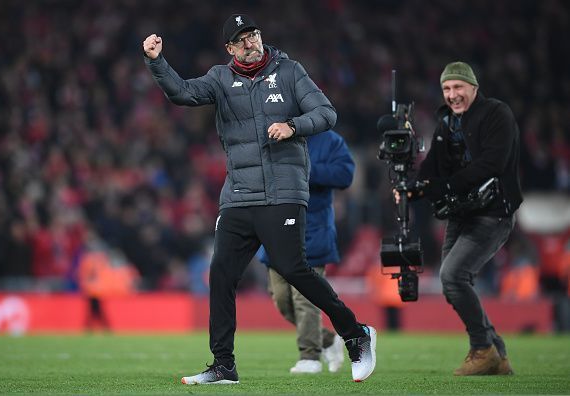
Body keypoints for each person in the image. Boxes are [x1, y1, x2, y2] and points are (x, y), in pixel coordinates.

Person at [143, 14, 376, 384]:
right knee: (221, 274)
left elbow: (326, 113)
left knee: (294, 269)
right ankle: (223, 366)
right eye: (242, 39)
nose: (251, 42)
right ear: (230, 49)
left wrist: (293, 125)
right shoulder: (219, 78)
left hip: (284, 191)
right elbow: (182, 93)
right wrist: (156, 62)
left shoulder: (289, 71)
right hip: (238, 195)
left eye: (253, 35)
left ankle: (355, 334)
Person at [396, 61, 523, 375]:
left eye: (458, 87)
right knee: (453, 280)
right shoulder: (447, 123)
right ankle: (497, 352)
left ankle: (482, 348)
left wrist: (443, 186)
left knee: (452, 277)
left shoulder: (497, 114)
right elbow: (432, 168)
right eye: (447, 89)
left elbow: (492, 164)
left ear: (474, 88)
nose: (452, 95)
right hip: (460, 213)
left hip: (493, 213)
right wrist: (413, 189)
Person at [257, 130, 354, 374]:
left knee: (304, 298)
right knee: (281, 299)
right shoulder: (271, 134)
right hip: (276, 227)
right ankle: (328, 339)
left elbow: (345, 174)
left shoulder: (330, 140)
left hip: (312, 229)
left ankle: (309, 356)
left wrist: (302, 168)